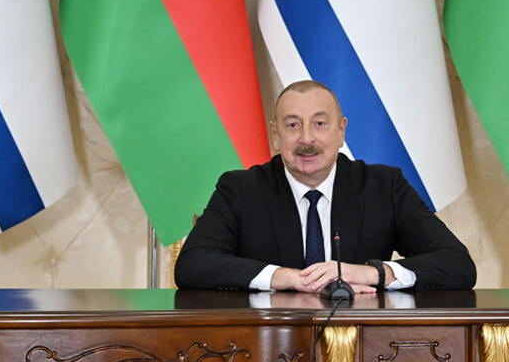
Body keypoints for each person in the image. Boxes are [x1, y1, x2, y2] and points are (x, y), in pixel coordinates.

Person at [175, 80, 476, 292]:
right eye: (293, 125)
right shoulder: (240, 189)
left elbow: (457, 264)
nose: (307, 139)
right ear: (276, 135)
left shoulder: (383, 186)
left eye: (319, 124)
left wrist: (373, 273)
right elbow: (192, 264)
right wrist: (282, 277)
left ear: (341, 131)